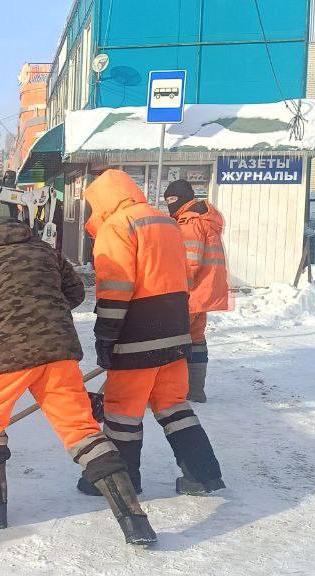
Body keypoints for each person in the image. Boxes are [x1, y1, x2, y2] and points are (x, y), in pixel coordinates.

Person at [0, 218, 156, 545]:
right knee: (81, 430)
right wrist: (43, 309)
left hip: (5, 356)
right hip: (58, 352)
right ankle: (134, 521)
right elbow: (74, 291)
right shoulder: (43, 251)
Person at [74, 169, 225, 498]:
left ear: (103, 201)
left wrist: (106, 337)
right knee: (173, 405)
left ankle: (124, 482)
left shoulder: (118, 226)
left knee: (121, 411)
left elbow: (116, 289)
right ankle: (203, 474)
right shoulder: (166, 222)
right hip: (176, 330)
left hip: (138, 334)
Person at [164, 180, 230, 403]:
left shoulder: (190, 222)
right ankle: (195, 390)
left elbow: (189, 262)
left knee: (171, 336)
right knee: (196, 338)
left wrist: (174, 291)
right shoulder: (205, 218)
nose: (169, 205)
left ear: (183, 197)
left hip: (192, 291)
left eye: (172, 199)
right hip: (205, 290)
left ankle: (168, 391)